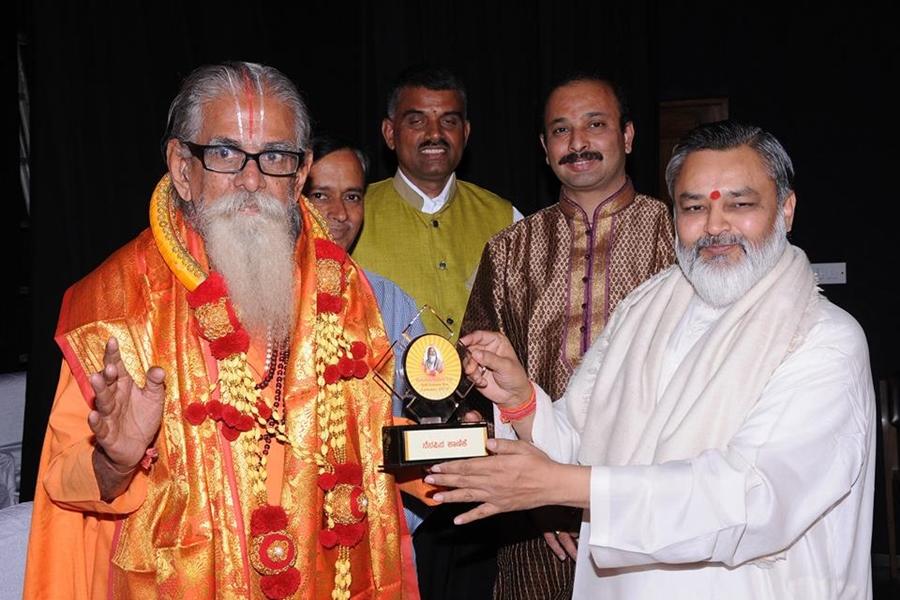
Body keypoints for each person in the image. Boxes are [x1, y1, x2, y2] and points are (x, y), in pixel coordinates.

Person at [430, 121, 876, 599]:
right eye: (694, 207)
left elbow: (754, 499)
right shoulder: (646, 309)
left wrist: (564, 485)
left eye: (740, 204)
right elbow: (582, 447)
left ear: (785, 210)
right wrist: (521, 400)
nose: (715, 224)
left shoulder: (824, 339)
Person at [24, 62, 418, 599]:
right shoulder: (116, 304)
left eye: (275, 156)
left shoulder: (340, 286)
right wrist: (113, 459)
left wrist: (451, 452)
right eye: (226, 153)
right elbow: (60, 480)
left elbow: (375, 430)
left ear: (299, 173)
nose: (251, 180)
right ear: (182, 167)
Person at [461, 74, 675, 599]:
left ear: (627, 136)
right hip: (534, 524)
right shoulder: (509, 249)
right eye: (561, 130)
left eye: (595, 125)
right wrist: (540, 499)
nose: (577, 143)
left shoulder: (676, 236)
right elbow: (477, 382)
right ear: (544, 147)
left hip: (652, 505)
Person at [351, 65, 521, 335]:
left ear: (465, 133)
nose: (435, 134)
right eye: (417, 121)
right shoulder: (351, 214)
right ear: (389, 133)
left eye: (449, 121)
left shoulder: (505, 218)